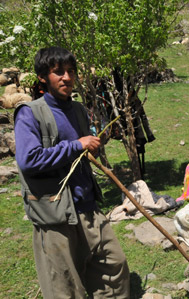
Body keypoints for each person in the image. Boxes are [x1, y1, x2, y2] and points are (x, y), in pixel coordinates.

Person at [14, 47, 130, 298]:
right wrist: (77, 145)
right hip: (56, 215)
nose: (67, 77)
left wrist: (91, 149)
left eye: (71, 71)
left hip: (88, 207)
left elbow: (80, 153)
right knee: (65, 288)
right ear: (43, 77)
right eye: (58, 72)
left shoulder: (77, 109)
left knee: (114, 267)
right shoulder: (30, 113)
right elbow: (29, 160)